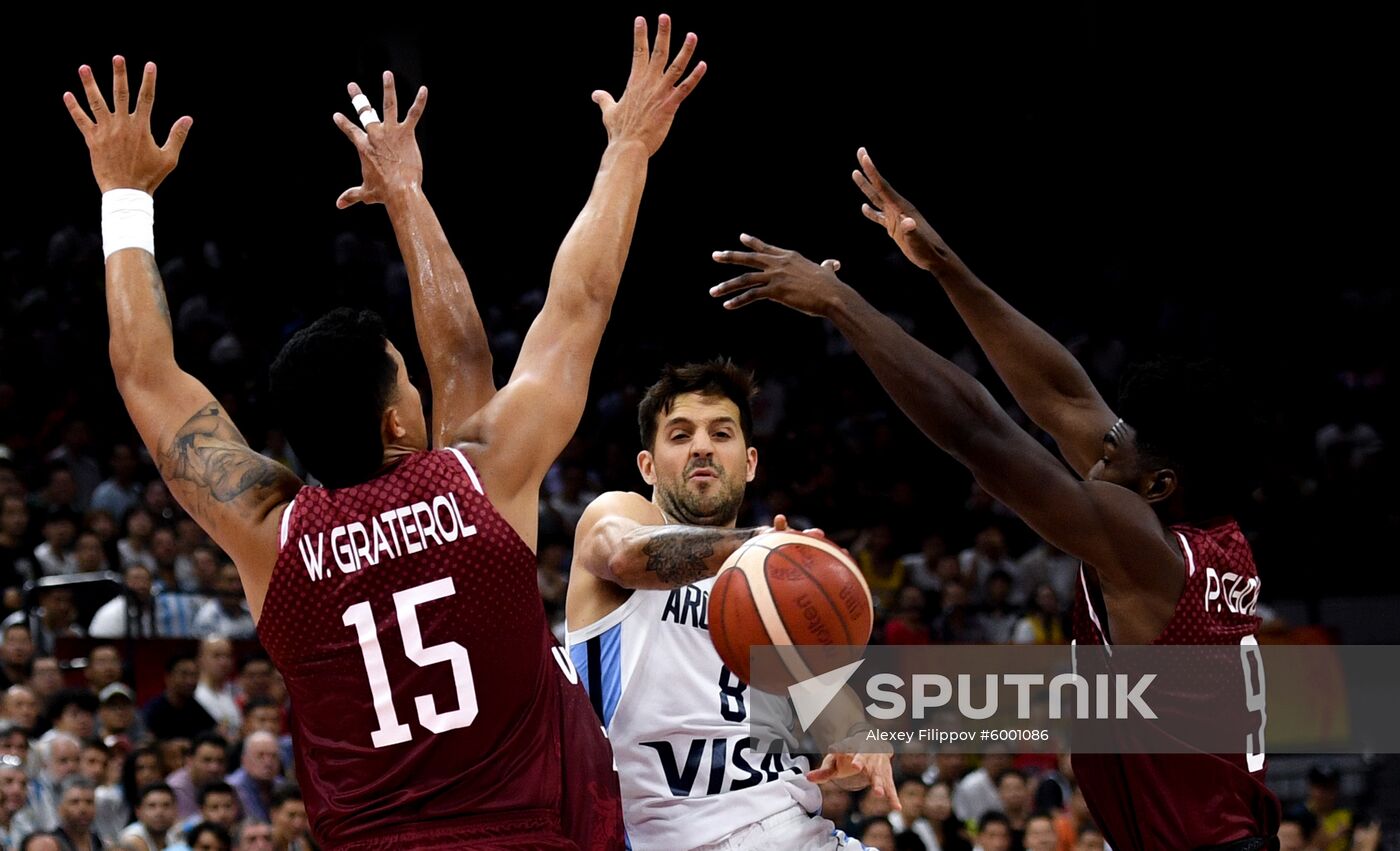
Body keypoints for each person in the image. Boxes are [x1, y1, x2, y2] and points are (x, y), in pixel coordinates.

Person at [63, 15, 703, 845]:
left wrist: (122, 195)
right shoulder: (476, 479)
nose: (417, 376)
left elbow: (145, 373)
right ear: (400, 419)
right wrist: (628, 148)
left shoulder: (272, 533)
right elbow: (561, 311)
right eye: (402, 371)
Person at [710, 148, 1282, 849]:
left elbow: (981, 434)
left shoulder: (1149, 556)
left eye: (1115, 447)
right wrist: (945, 265)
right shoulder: (1211, 534)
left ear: (1158, 485)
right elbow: (1062, 396)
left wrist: (841, 304)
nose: (1100, 443)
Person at [566, 360, 897, 849]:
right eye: (680, 436)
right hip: (665, 837)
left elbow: (839, 721)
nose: (701, 445)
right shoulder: (620, 515)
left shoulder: (776, 593)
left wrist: (860, 749)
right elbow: (623, 553)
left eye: (721, 433)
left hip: (790, 828)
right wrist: (759, 546)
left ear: (749, 462)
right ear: (648, 467)